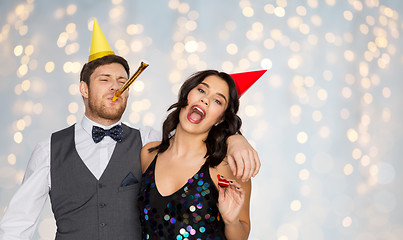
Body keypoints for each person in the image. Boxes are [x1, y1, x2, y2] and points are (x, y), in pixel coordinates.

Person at [0, 20, 260, 240]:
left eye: (123, 81)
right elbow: (17, 225)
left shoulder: (147, 143)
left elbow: (194, 144)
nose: (116, 87)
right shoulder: (48, 150)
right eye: (105, 80)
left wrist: (236, 138)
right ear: (84, 89)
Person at [138, 69, 265, 239]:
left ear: (220, 119)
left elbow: (242, 235)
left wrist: (231, 221)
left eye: (218, 101)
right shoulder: (148, 153)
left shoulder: (227, 165)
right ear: (187, 95)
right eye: (202, 90)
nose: (205, 99)